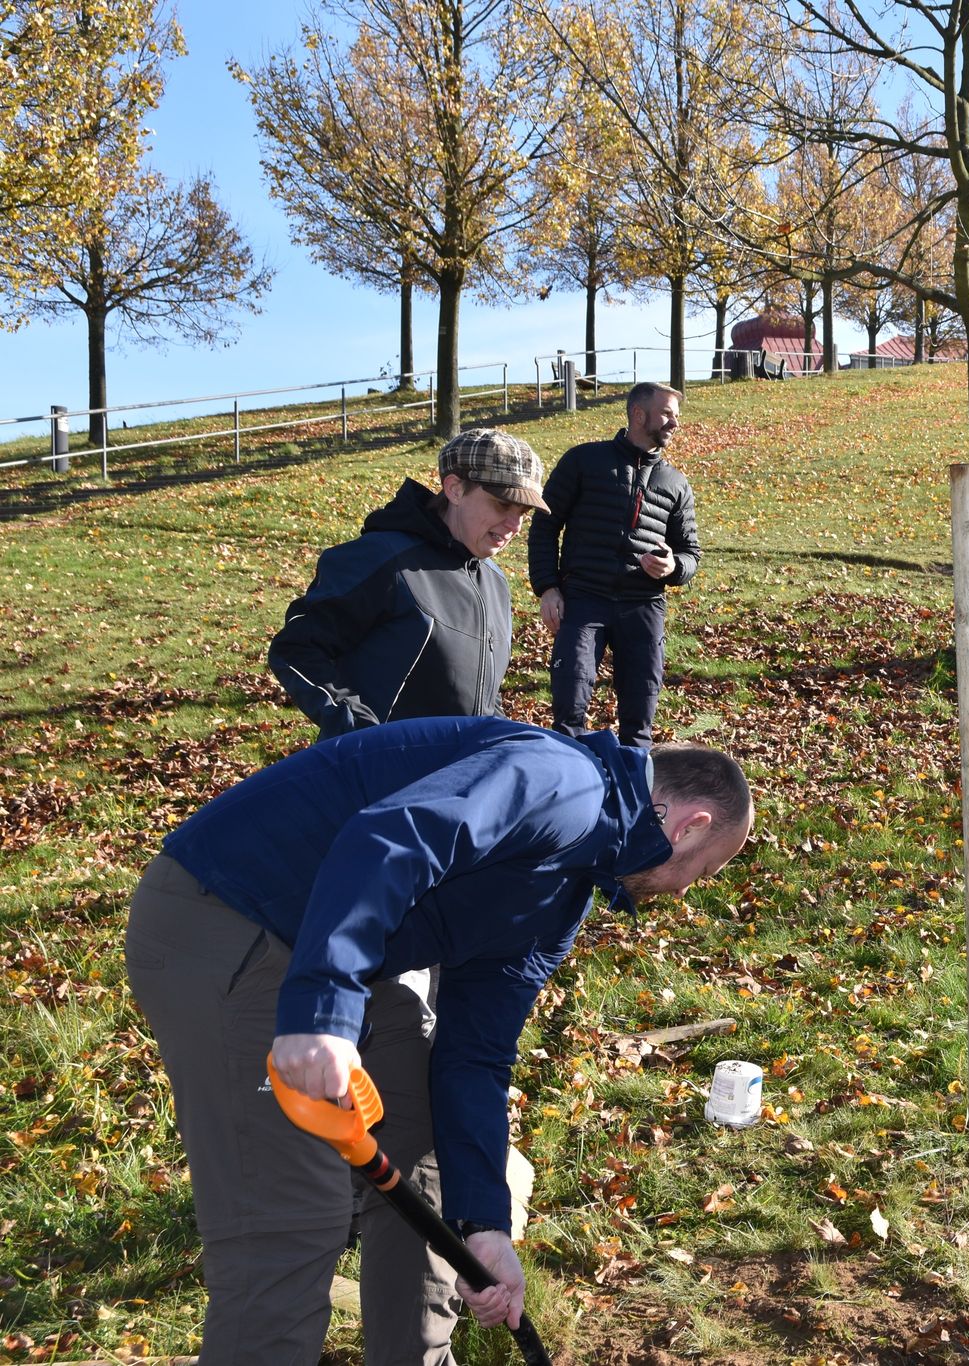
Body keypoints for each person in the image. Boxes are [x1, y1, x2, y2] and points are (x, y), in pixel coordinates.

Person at [124, 717, 752, 1365]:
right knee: (294, 1219)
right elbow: (392, 838)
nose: (683, 891)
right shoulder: (561, 780)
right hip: (229, 915)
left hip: (338, 954)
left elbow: (475, 1054)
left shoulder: (564, 896)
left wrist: (486, 1226)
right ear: (690, 826)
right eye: (703, 871)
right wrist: (325, 1010)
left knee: (424, 1154)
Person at [270, 428, 546, 739]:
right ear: (455, 489)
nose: (515, 525)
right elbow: (296, 649)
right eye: (502, 505)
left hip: (461, 768)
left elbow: (482, 696)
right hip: (377, 766)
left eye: (523, 512)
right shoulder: (383, 557)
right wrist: (362, 735)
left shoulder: (496, 582)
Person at [528, 382, 700, 749]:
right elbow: (544, 525)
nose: (675, 423)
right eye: (666, 414)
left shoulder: (676, 483)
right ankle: (570, 781)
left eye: (676, 416)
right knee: (569, 715)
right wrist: (548, 587)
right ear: (638, 414)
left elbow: (691, 554)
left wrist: (672, 567)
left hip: (644, 606)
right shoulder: (583, 461)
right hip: (583, 600)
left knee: (639, 726)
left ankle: (633, 784)